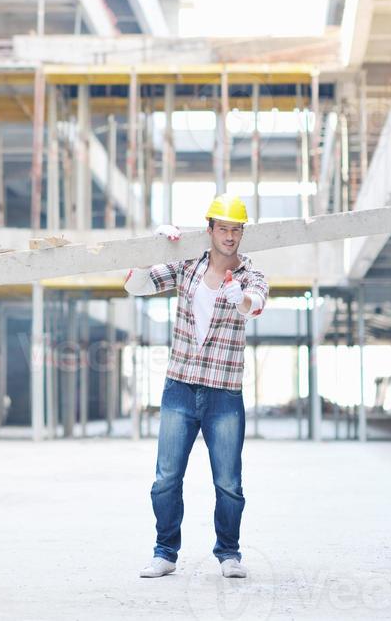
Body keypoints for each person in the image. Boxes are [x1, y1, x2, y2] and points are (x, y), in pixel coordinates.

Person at [124, 194, 269, 580]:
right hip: (180, 388)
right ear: (210, 230)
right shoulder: (187, 267)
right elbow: (137, 286)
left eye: (236, 229)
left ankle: (229, 554)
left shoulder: (251, 276)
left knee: (229, 483)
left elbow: (255, 304)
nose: (230, 235)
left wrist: (241, 299)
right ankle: (165, 552)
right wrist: (150, 247)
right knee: (166, 478)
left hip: (224, 393)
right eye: (223, 228)